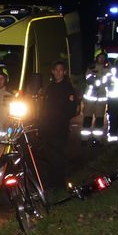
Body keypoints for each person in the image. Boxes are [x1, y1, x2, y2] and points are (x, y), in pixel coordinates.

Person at [36, 60, 79, 190]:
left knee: (58, 158)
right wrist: (41, 124)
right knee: (49, 158)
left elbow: (72, 110)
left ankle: (59, 185)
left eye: (61, 70)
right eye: (56, 70)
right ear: (53, 72)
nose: (59, 72)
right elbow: (44, 108)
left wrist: (59, 119)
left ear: (64, 72)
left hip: (59, 129)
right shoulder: (50, 87)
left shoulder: (68, 89)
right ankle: (51, 183)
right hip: (47, 129)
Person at [80, 52, 110, 145]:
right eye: (99, 57)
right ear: (96, 58)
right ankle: (84, 139)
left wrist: (99, 81)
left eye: (103, 57)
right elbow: (88, 78)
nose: (101, 59)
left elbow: (109, 79)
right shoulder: (91, 67)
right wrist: (95, 81)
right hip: (89, 99)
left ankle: (97, 139)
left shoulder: (108, 68)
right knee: (87, 119)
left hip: (101, 99)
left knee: (99, 120)